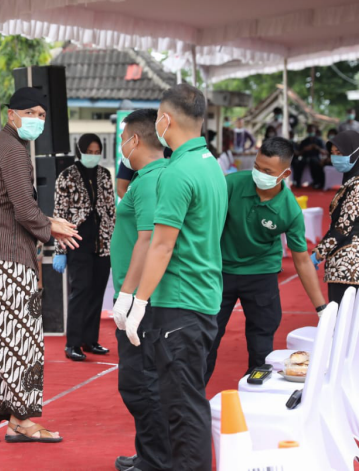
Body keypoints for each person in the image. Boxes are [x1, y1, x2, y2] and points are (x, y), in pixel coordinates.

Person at [0, 87, 80, 450]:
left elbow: (12, 207)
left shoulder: (0, 147)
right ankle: (20, 421)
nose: (37, 121)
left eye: (43, 115)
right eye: (31, 113)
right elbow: (25, 209)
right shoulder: (12, 150)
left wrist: (44, 221)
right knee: (21, 343)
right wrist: (51, 227)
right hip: (6, 260)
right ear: (11, 114)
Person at [121, 83, 227, 471]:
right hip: (201, 296)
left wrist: (138, 301)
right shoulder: (211, 164)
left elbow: (161, 245)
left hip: (179, 302)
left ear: (164, 120)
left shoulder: (177, 171)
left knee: (183, 409)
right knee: (186, 402)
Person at [205, 137, 327, 384]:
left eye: (267, 171)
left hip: (261, 275)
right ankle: (191, 398)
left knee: (261, 345)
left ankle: (255, 394)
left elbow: (302, 260)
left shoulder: (289, 209)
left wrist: (321, 308)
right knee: (205, 338)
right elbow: (206, 225)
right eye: (257, 167)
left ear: (285, 174)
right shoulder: (232, 184)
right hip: (222, 272)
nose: (259, 174)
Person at [110, 109, 171, 471]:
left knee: (140, 382)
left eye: (122, 138)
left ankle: (156, 459)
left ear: (134, 140)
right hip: (140, 295)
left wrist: (129, 296)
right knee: (143, 380)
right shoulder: (150, 176)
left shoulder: (150, 180)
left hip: (143, 299)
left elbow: (148, 240)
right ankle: (149, 452)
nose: (121, 145)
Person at [52, 133, 115, 361]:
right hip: (77, 241)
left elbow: (110, 211)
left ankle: (91, 340)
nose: (94, 155)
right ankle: (73, 344)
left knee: (97, 291)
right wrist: (60, 251)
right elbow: (59, 216)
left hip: (102, 242)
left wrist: (113, 242)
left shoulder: (105, 175)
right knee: (80, 292)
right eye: (89, 151)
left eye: (97, 151)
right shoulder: (66, 176)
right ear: (80, 151)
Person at [312, 130, 359, 303]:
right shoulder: (351, 181)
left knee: (344, 320)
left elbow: (342, 228)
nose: (336, 158)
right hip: (350, 262)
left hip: (349, 264)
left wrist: (317, 254)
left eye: (341, 153)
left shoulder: (357, 185)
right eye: (333, 154)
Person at [293, 123, 326, 189]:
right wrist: (304, 150)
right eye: (309, 130)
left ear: (315, 131)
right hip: (305, 157)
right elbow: (299, 153)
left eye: (312, 130)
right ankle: (297, 182)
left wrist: (316, 147)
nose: (311, 132)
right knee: (298, 163)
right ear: (307, 131)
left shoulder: (319, 141)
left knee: (315, 163)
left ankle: (317, 182)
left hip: (315, 157)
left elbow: (324, 152)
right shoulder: (304, 141)